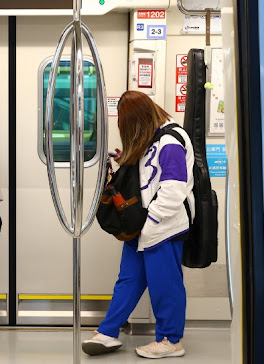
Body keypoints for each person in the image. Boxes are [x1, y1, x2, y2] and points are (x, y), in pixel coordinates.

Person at [82, 91, 194, 359]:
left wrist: (150, 220)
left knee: (165, 284)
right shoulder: (154, 139)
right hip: (144, 227)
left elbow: (173, 190)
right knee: (129, 280)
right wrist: (124, 160)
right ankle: (108, 332)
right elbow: (150, 173)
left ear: (139, 121)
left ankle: (170, 340)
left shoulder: (170, 141)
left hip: (163, 228)